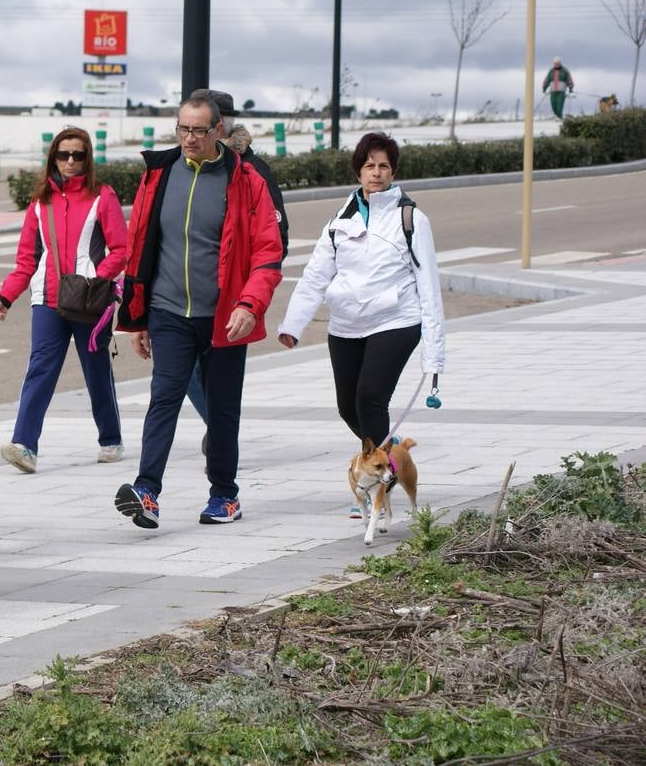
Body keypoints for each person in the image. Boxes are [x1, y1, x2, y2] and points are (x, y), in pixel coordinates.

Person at [115, 91, 283, 529]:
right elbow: (142, 245)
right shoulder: (160, 174)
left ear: (218, 129)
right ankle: (146, 491)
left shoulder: (247, 180)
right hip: (168, 311)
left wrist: (251, 303)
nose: (188, 138)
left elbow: (269, 251)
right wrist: (138, 316)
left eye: (198, 130)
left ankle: (225, 495)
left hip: (226, 314)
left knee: (223, 408)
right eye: (182, 129)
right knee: (163, 398)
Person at [276, 132, 446, 515]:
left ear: (393, 172)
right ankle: (391, 455)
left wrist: (434, 358)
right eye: (370, 165)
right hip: (347, 324)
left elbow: (429, 287)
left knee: (370, 397)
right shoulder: (340, 220)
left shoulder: (412, 219)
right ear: (358, 171)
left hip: (396, 321)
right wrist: (293, 324)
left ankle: (376, 491)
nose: (377, 172)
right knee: (347, 407)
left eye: (384, 165)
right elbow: (316, 275)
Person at [0, 127, 128, 474]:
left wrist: (98, 278)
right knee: (40, 369)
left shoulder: (102, 196)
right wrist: (5, 298)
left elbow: (123, 249)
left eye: (77, 155)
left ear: (87, 158)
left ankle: (110, 438)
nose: (69, 161)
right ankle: (25, 445)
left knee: (96, 371)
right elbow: (26, 260)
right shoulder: (40, 203)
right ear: (53, 157)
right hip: (48, 299)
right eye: (63, 155)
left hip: (89, 300)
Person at [183, 92, 290, 448]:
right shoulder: (181, 168)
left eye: (210, 123)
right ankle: (220, 427)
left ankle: (221, 432)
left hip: (234, 298)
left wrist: (251, 292)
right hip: (185, 295)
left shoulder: (252, 170)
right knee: (182, 372)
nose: (194, 134)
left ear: (222, 124)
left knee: (219, 374)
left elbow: (276, 237)